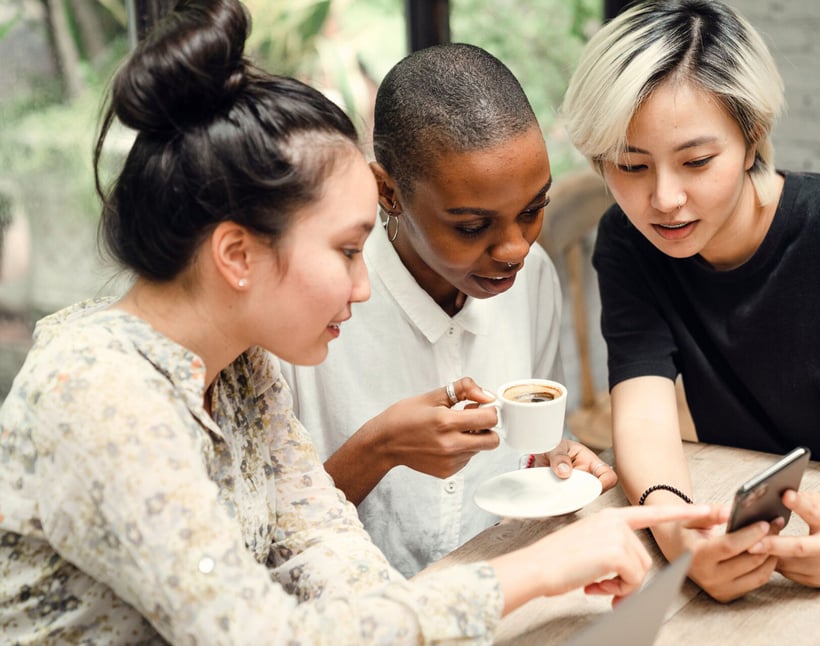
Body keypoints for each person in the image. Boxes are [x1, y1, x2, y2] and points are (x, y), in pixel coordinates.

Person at [0, 1, 726, 643]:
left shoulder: (242, 371)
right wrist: (533, 573)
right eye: (349, 250)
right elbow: (261, 634)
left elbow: (327, 558)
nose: (363, 282)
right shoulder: (98, 391)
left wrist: (541, 571)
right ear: (236, 253)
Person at [560, 0, 820, 602]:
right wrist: (680, 539)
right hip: (763, 529)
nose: (664, 199)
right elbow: (643, 412)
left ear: (753, 138)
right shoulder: (630, 241)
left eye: (697, 161)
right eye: (631, 165)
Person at [281, 43, 617, 577]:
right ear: (387, 191)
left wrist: (554, 458)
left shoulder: (534, 282)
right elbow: (265, 545)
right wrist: (377, 449)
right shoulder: (310, 312)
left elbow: (530, 455)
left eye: (533, 211)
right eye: (471, 226)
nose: (515, 250)